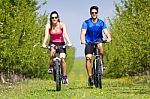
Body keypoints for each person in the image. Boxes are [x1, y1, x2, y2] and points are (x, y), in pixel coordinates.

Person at [80, 6, 111, 86]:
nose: (94, 14)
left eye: (95, 12)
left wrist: (109, 37)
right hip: (89, 42)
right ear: (90, 13)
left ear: (97, 13)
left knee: (100, 46)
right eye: (92, 12)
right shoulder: (86, 22)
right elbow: (83, 33)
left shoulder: (101, 23)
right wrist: (83, 40)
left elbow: (106, 32)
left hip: (98, 41)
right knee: (88, 58)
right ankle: (90, 77)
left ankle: (101, 63)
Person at [42, 11, 72, 84]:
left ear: (58, 18)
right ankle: (51, 66)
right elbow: (46, 35)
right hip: (52, 43)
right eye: (52, 18)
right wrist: (44, 43)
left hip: (61, 43)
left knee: (62, 59)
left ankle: (64, 77)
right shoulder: (48, 26)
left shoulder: (62, 25)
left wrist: (69, 42)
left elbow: (65, 34)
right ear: (51, 19)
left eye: (56, 17)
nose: (54, 19)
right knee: (52, 51)